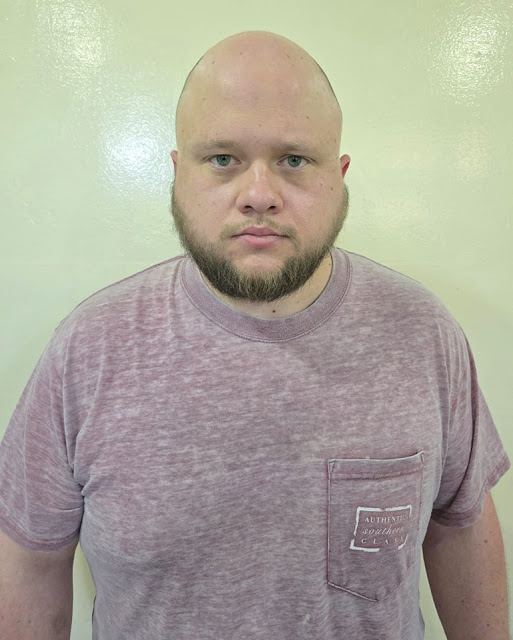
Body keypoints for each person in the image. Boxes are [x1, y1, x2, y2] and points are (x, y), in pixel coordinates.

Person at [0, 30, 510, 640]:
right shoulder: (88, 350)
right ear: (177, 173)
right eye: (223, 159)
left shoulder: (423, 333)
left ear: (340, 175)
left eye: (294, 160)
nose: (260, 196)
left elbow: (459, 524)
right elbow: (31, 562)